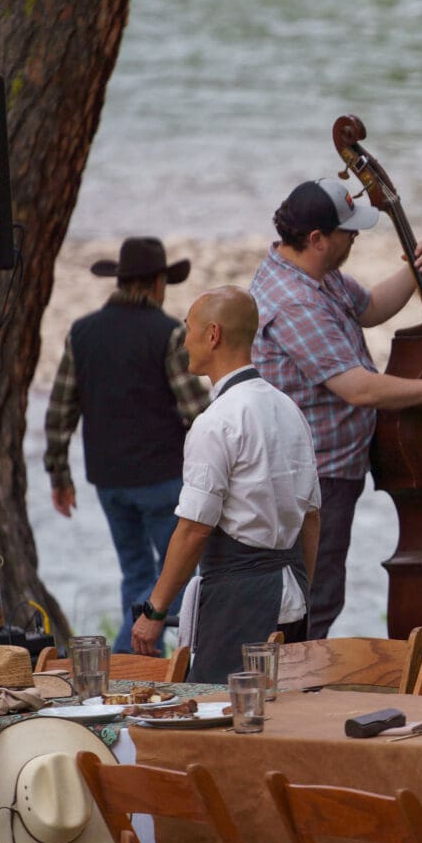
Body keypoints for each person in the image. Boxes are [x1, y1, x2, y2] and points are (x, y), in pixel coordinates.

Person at [250, 178, 422, 639]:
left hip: (337, 467)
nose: (355, 238)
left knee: (322, 590)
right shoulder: (295, 302)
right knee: (318, 594)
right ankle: (298, 691)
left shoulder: (315, 273)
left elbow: (370, 307)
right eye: (348, 233)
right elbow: (359, 390)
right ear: (317, 239)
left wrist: (413, 273)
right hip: (317, 476)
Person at [130, 286, 321, 684]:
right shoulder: (289, 409)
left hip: (241, 603)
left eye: (189, 329)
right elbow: (311, 518)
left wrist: (155, 610)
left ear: (213, 335)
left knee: (220, 721)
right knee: (281, 719)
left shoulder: (216, 421)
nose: (184, 340)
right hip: (293, 595)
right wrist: (304, 588)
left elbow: (194, 528)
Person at [44, 236, 209, 654]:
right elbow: (198, 412)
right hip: (162, 478)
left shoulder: (82, 333)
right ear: (156, 283)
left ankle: (139, 667)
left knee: (136, 574)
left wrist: (59, 475)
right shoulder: (169, 334)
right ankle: (130, 656)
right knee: (182, 576)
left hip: (109, 480)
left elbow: (60, 410)